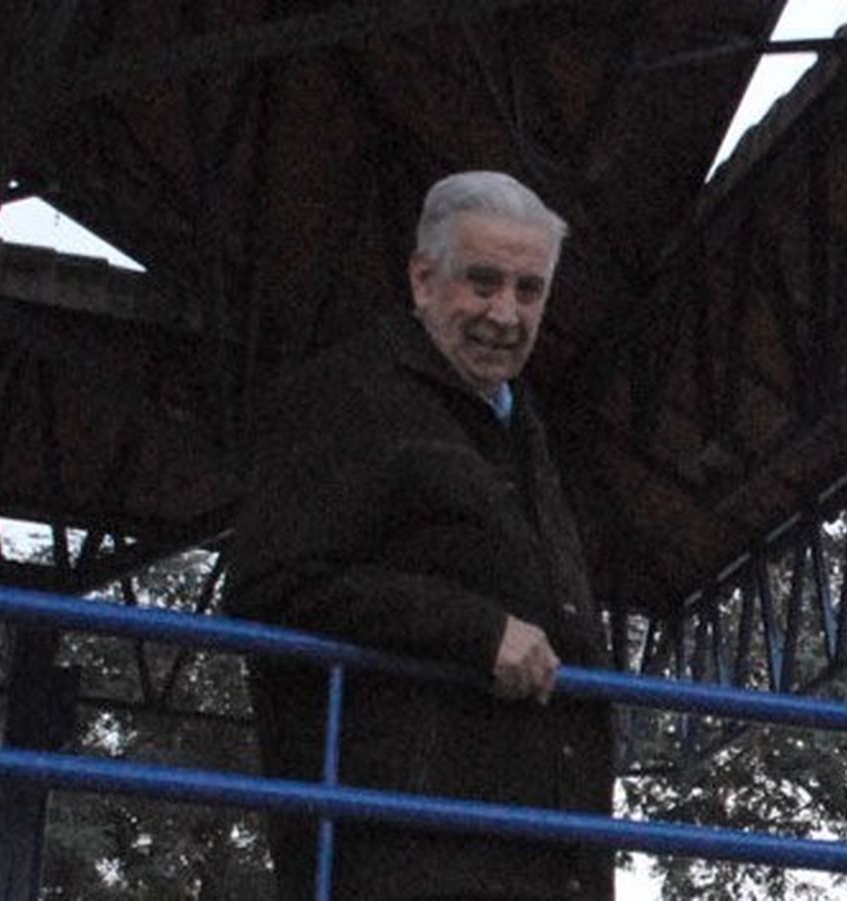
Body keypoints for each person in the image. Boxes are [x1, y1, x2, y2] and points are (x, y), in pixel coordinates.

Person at [224, 171, 613, 900]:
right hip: (407, 851)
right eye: (483, 282)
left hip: (546, 855)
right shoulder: (346, 394)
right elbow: (268, 584)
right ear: (422, 279)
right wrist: (474, 628)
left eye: (529, 290)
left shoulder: (523, 426)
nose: (505, 312)